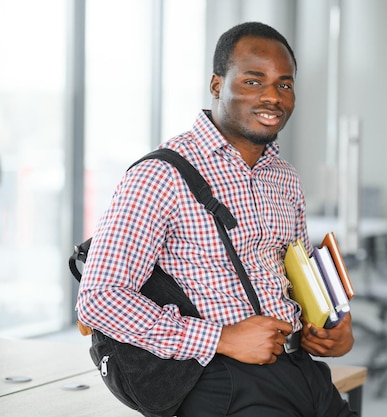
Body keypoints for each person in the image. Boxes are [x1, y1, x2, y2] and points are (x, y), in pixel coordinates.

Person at [76, 21, 357, 417]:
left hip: (301, 370)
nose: (272, 97)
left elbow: (297, 275)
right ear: (216, 84)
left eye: (284, 84)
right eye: (254, 81)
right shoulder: (161, 175)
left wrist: (331, 328)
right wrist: (221, 338)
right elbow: (99, 300)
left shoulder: (285, 178)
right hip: (222, 381)